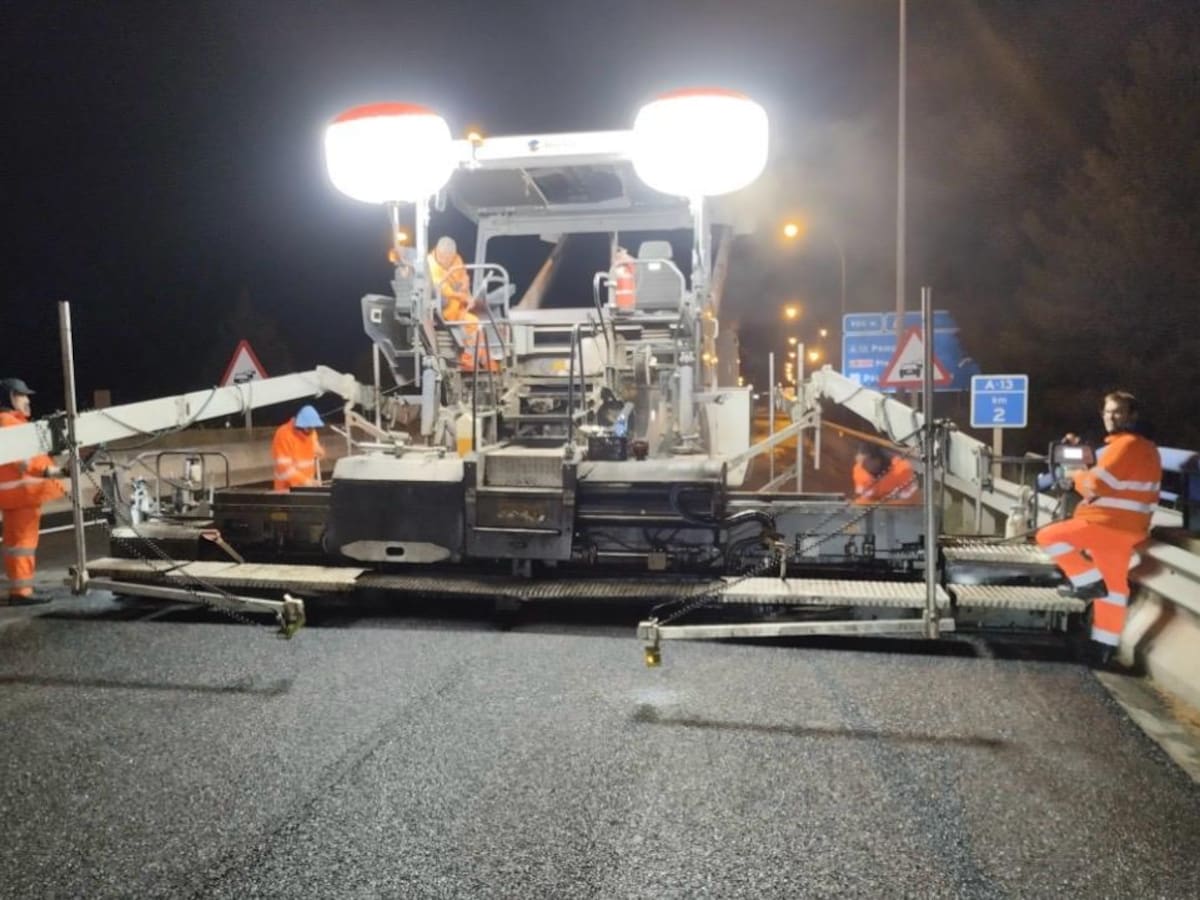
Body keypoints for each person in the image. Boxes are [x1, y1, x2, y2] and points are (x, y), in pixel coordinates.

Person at [1035, 391, 1161, 659]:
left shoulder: (1126, 446)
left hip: (1106, 524)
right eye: (1107, 411)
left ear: (1132, 416)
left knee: (1049, 536)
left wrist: (1075, 476)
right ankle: (1104, 646)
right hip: (1128, 529)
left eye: (1118, 411)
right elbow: (1111, 481)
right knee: (1114, 589)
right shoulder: (1144, 448)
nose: (1111, 417)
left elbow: (1097, 484)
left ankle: (1087, 582)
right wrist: (1085, 466)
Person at [0, 378, 66, 605]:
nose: (27, 400)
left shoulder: (9, 421)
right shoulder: (8, 422)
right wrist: (52, 471)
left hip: (17, 497)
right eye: (22, 395)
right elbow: (23, 460)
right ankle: (21, 593)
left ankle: (21, 588)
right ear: (9, 398)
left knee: (16, 544)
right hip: (22, 496)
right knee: (22, 545)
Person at [427, 236, 494, 371]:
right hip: (443, 311)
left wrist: (466, 287)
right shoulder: (430, 264)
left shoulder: (456, 259)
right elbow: (444, 290)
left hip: (459, 309)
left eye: (449, 258)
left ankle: (487, 363)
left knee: (477, 324)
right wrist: (464, 297)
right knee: (471, 325)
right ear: (438, 252)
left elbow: (463, 276)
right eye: (443, 257)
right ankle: (468, 362)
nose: (447, 261)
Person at [272, 405, 325, 491]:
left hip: (306, 487)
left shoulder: (311, 433)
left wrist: (320, 452)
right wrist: (305, 481)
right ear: (299, 426)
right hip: (286, 490)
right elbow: (285, 468)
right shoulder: (283, 434)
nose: (312, 430)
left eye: (313, 427)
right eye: (309, 428)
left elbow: (316, 449)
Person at [851, 442, 920, 505]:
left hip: (901, 513)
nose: (862, 467)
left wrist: (882, 505)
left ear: (877, 459)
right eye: (860, 463)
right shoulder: (859, 470)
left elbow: (912, 501)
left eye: (865, 463)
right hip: (872, 512)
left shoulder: (902, 469)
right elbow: (861, 500)